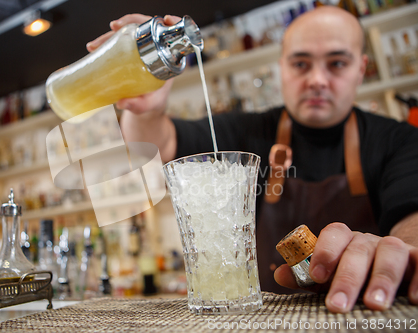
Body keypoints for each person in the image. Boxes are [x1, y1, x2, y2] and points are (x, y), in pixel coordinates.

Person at [87, 7, 418, 313]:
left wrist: (400, 252)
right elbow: (156, 147)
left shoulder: (399, 140)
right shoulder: (247, 131)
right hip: (254, 320)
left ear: (361, 69)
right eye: (301, 63)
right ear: (282, 68)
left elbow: (412, 220)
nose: (317, 79)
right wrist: (148, 106)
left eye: (337, 63)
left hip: (359, 312)